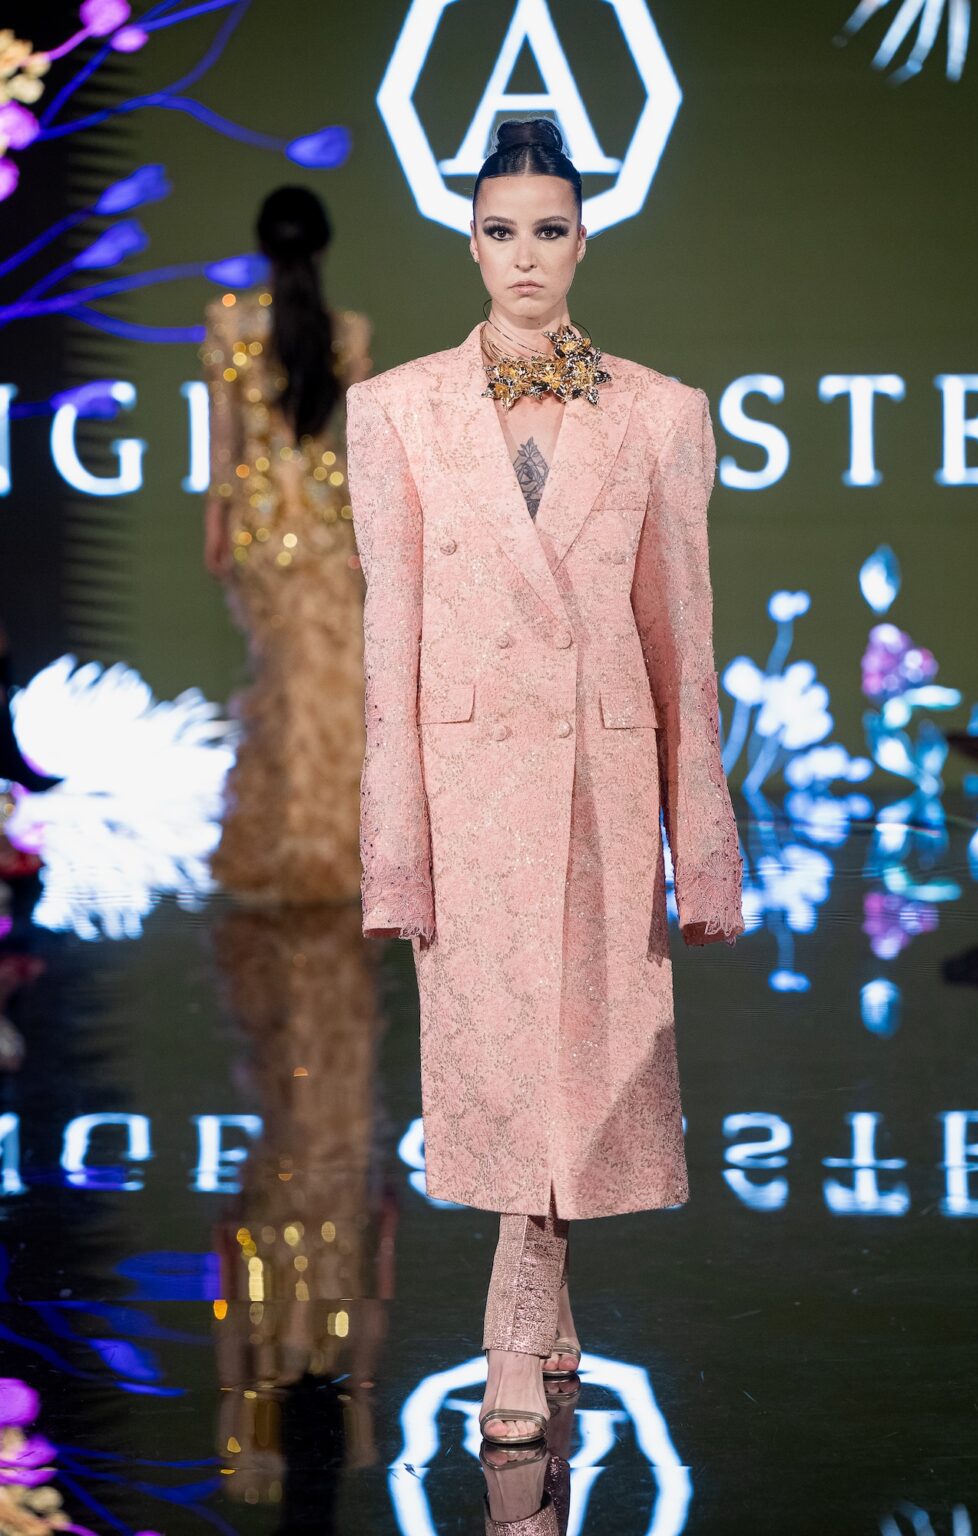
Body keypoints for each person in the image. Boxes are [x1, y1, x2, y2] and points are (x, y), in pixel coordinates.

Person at [346, 119, 744, 1463]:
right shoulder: (394, 411)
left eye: (551, 229)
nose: (525, 256)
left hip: (596, 775)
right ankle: (538, 1288)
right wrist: (391, 851)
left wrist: (705, 850)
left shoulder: (661, 413)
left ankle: (515, 1317)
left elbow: (683, 643)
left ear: (586, 239)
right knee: (497, 1049)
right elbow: (385, 643)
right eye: (501, 229)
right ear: (469, 240)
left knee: (581, 1044)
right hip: (464, 783)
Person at [201, 185, 372, 903]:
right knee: (327, 689)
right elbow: (353, 452)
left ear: (263, 248)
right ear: (324, 247)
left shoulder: (227, 321)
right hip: (332, 527)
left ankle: (290, 848)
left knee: (285, 685)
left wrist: (216, 523)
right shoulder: (350, 332)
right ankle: (329, 849)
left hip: (262, 527)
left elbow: (222, 442)